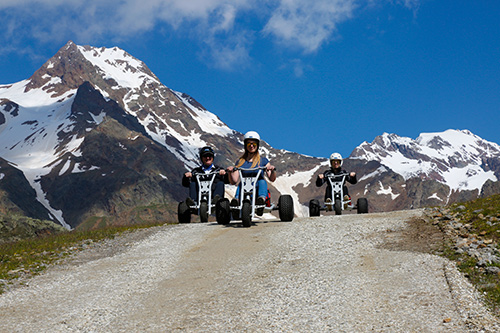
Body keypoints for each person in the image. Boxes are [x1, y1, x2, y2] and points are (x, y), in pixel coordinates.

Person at [227, 131, 276, 215]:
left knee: (262, 181)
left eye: (254, 144)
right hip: (244, 186)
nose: (251, 146)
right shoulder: (240, 162)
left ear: (257, 145)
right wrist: (230, 172)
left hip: (257, 187)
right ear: (245, 145)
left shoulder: (263, 161)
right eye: (249, 144)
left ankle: (261, 200)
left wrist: (272, 169)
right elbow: (233, 181)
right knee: (241, 183)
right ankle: (237, 200)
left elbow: (272, 178)